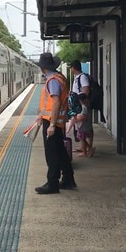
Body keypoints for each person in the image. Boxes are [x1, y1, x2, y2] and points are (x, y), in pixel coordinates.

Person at [34, 52, 77, 194]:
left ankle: (52, 183)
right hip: (56, 121)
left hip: (52, 122)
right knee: (60, 151)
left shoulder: (52, 80)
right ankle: (68, 179)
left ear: (43, 68)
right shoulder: (58, 77)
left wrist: (51, 125)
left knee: (51, 153)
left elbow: (56, 101)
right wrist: (42, 116)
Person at [67, 60, 91, 151]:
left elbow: (86, 90)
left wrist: (81, 103)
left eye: (71, 67)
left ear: (74, 68)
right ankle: (83, 147)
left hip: (81, 106)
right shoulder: (77, 77)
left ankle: (88, 148)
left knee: (81, 128)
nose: (71, 69)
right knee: (78, 127)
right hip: (77, 106)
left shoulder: (82, 77)